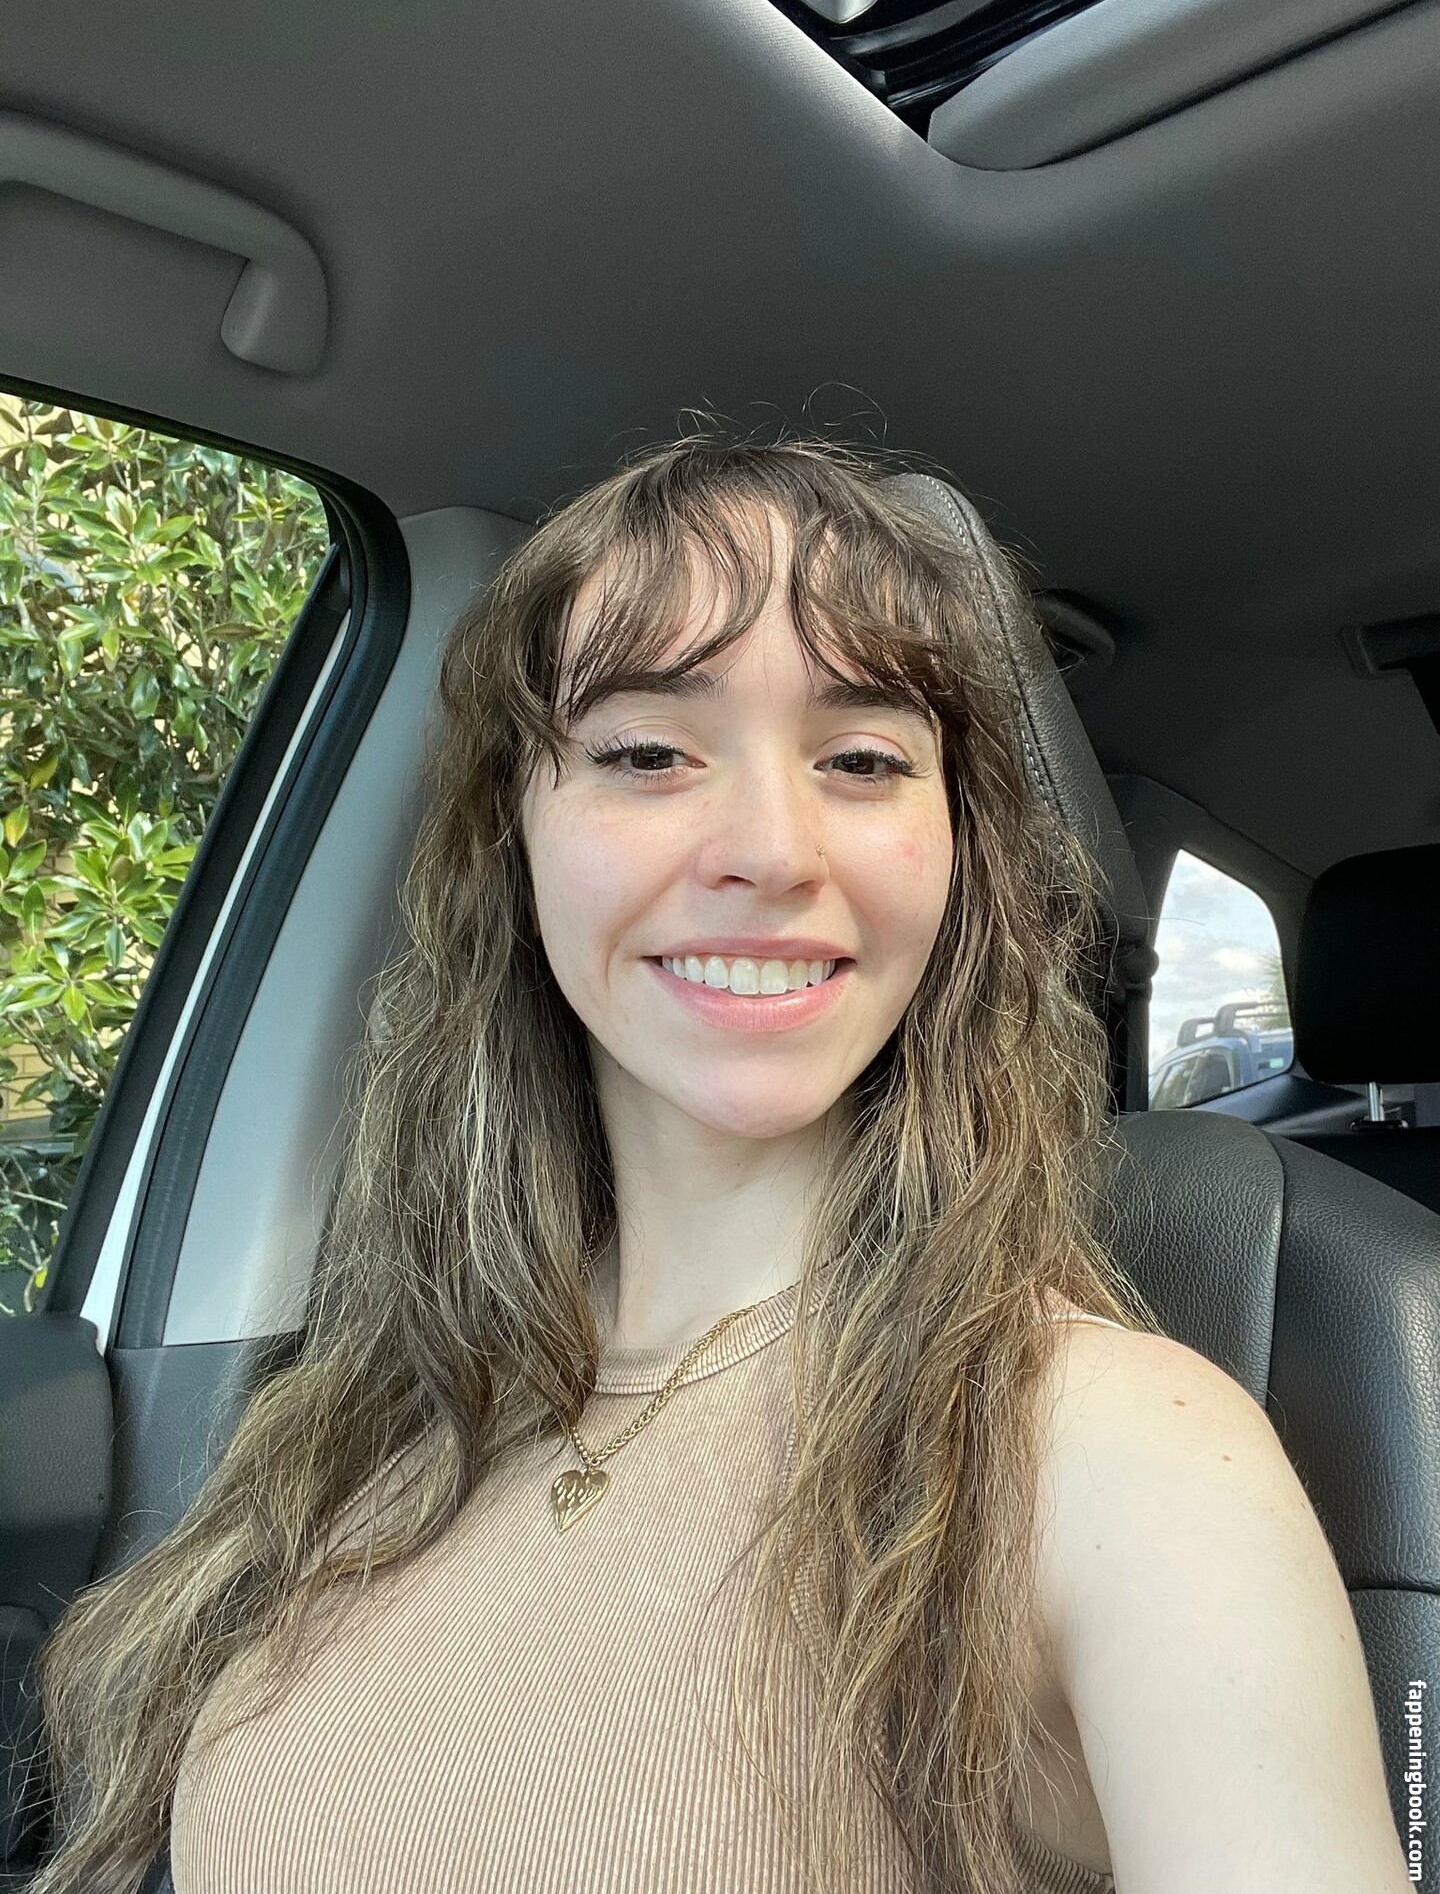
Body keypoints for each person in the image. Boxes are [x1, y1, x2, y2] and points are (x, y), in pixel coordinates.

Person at [28, 438, 1408, 1894]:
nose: (771, 849)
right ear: (512, 837)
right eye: (647, 753)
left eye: (863, 760)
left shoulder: (1121, 1451)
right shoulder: (370, 1417)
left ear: (958, 860)